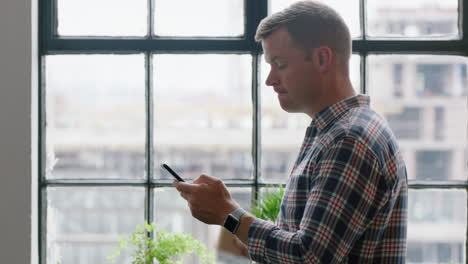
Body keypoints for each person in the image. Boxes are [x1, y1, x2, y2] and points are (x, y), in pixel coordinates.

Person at [174, 1, 408, 263]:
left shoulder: (348, 140)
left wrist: (228, 215)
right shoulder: (339, 131)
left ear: (322, 59)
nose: (270, 79)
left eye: (280, 63)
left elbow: (308, 256)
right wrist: (248, 238)